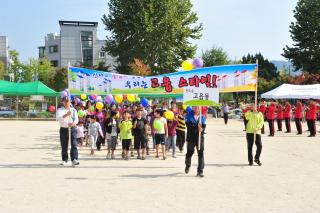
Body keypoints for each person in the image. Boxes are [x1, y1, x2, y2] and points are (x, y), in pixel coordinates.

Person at [57, 96, 79, 166]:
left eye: (67, 101)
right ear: (62, 102)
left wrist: (73, 123)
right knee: (64, 145)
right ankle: (65, 159)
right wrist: (66, 114)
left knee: (74, 144)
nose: (66, 103)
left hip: (72, 129)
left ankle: (74, 159)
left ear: (70, 102)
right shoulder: (60, 110)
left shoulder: (73, 110)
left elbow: (76, 119)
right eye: (65, 101)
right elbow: (58, 118)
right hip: (63, 129)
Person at [185, 107, 206, 178]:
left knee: (201, 154)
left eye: (198, 107)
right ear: (193, 108)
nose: (197, 108)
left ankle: (200, 171)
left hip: (199, 138)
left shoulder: (202, 116)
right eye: (195, 107)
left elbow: (203, 127)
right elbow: (188, 126)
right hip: (191, 138)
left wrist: (202, 129)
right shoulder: (188, 115)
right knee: (189, 153)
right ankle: (187, 165)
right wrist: (197, 127)